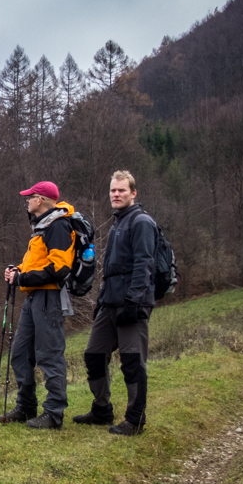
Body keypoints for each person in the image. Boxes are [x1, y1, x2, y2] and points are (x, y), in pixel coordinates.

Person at [73, 170, 157, 436]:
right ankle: (101, 409)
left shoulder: (141, 222)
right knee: (94, 355)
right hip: (109, 303)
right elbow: (111, 269)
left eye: (121, 190)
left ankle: (135, 419)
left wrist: (133, 302)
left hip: (132, 303)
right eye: (113, 190)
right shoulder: (117, 222)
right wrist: (101, 301)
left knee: (132, 361)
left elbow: (144, 264)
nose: (116, 194)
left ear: (133, 193)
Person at [0, 181, 76, 429]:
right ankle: (26, 407)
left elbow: (60, 268)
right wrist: (17, 270)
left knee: (49, 355)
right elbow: (35, 263)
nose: (26, 201)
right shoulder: (41, 228)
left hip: (49, 298)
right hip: (34, 298)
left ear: (40, 199)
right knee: (20, 353)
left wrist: (23, 278)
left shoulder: (59, 226)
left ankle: (54, 413)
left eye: (29, 197)